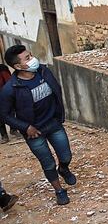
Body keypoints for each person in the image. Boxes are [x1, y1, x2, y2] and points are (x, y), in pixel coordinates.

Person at [0, 45, 76, 205]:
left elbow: (56, 90)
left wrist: (58, 114)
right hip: (34, 132)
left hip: (53, 124)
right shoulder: (10, 89)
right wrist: (25, 127)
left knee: (66, 155)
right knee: (48, 163)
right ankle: (59, 190)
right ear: (18, 66)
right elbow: (4, 115)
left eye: (31, 55)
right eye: (27, 58)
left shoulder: (43, 71)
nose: (33, 59)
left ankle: (63, 169)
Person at [0, 64, 12, 143]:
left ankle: (14, 129)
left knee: (11, 113)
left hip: (5, 96)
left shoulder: (2, 69)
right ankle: (4, 135)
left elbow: (8, 82)